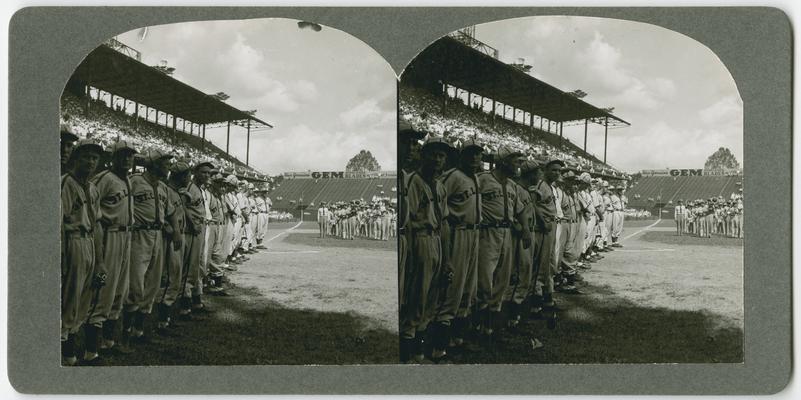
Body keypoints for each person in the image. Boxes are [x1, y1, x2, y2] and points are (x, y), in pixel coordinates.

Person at [401, 136, 450, 363]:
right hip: (420, 239)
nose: (437, 159)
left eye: (441, 156)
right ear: (424, 155)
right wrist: (410, 254)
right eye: (433, 154)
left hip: (436, 240)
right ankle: (410, 348)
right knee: (417, 296)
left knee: (432, 297)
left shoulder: (440, 185)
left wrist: (447, 256)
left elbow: (445, 222)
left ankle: (420, 346)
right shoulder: (414, 181)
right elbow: (409, 221)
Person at [432, 139, 483, 358]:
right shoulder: (452, 176)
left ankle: (456, 339)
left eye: (478, 154)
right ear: (461, 156)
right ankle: (438, 346)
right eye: (470, 154)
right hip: (457, 233)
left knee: (467, 289)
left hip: (474, 234)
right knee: (452, 289)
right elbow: (440, 205)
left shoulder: (475, 178)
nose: (475, 158)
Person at [90, 140, 137, 358]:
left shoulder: (126, 179)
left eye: (130, 155)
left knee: (120, 290)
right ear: (113, 157)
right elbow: (91, 210)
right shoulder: (103, 178)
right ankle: (92, 346)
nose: (127, 159)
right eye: (123, 155)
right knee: (104, 290)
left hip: (126, 235)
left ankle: (108, 341)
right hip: (108, 235)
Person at [475, 146, 528, 341]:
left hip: (507, 233)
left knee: (503, 279)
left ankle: (491, 326)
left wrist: (525, 230)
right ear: (504, 161)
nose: (519, 165)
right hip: (487, 231)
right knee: (484, 280)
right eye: (515, 161)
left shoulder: (512, 185)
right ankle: (479, 325)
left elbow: (520, 209)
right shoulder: (483, 179)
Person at [61, 138, 103, 366]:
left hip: (89, 242)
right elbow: (58, 225)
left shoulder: (93, 188)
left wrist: (101, 261)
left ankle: (72, 348)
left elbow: (97, 225)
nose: (90, 161)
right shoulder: (66, 183)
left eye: (95, 158)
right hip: (73, 241)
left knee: (86, 297)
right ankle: (65, 351)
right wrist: (62, 257)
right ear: (76, 158)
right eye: (86, 156)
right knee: (70, 297)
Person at [126, 149, 173, 345]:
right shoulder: (135, 181)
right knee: (136, 284)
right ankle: (126, 331)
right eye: (164, 162)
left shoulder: (162, 187)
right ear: (153, 164)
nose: (168, 166)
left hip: (158, 235)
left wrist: (171, 226)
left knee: (153, 284)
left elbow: (169, 213)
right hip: (139, 234)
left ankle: (139, 330)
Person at [397, 119, 424, 362]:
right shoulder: (401, 175)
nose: (413, 146)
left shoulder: (408, 176)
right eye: (408, 141)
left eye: (415, 142)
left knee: (408, 291)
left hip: (409, 237)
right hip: (399, 238)